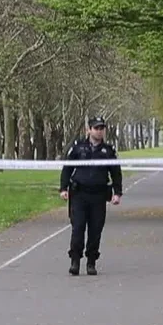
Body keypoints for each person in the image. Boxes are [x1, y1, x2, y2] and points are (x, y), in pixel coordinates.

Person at [59, 116, 123, 275]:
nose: (99, 131)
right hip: (79, 194)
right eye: (96, 128)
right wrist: (63, 188)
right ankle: (75, 260)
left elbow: (116, 172)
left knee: (95, 230)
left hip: (99, 196)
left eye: (102, 128)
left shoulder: (108, 151)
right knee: (78, 228)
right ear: (89, 130)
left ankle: (91, 262)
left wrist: (117, 192)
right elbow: (67, 168)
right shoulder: (78, 148)